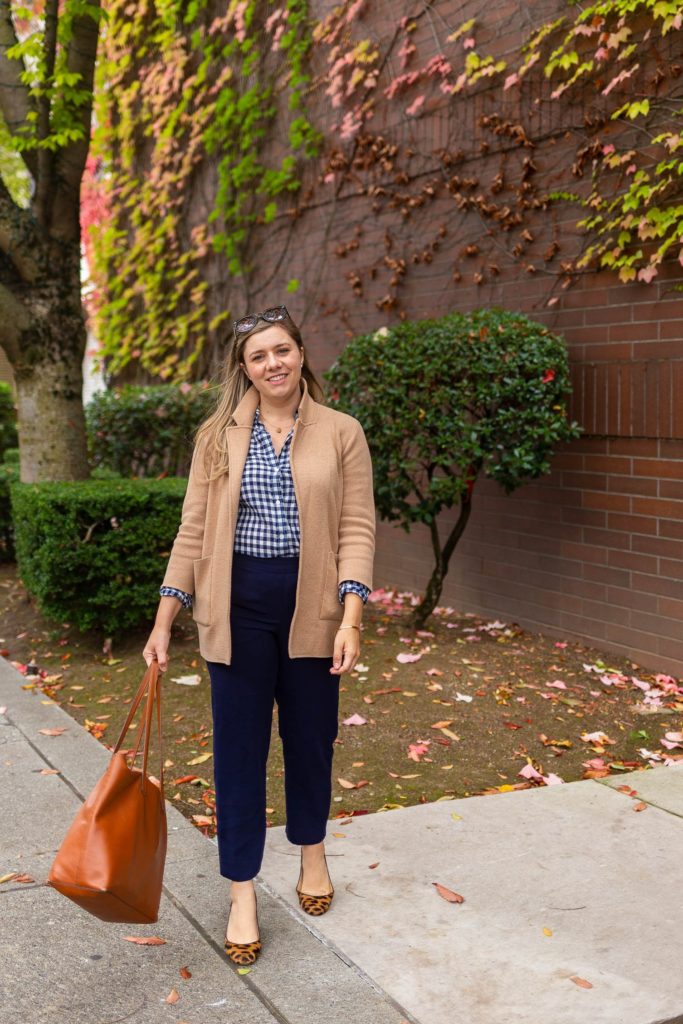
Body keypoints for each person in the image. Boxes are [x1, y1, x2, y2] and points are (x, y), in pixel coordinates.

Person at [143, 305, 376, 966]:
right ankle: (241, 890)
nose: (272, 363)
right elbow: (192, 530)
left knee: (309, 741)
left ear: (300, 353)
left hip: (313, 608)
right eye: (258, 356)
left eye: (282, 350)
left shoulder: (341, 432)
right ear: (242, 369)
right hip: (234, 608)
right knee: (238, 753)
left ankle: (311, 856)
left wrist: (351, 616)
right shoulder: (217, 435)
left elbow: (357, 527)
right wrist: (165, 620)